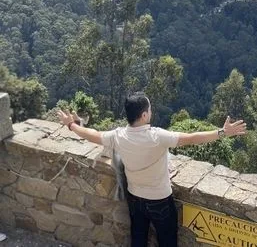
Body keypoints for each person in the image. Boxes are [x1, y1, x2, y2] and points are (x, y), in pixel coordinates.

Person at [57, 92, 246, 247]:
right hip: (160, 201)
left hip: (135, 198)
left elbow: (92, 135)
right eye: (149, 109)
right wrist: (222, 132)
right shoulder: (157, 137)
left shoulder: (118, 136)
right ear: (144, 115)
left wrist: (71, 124)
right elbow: (191, 138)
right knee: (167, 241)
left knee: (138, 239)